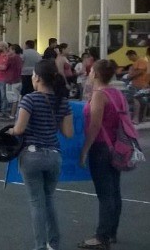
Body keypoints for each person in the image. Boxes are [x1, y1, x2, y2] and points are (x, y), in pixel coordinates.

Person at [8, 59, 74, 250]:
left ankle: (40, 246)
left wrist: (8, 132)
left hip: (32, 156)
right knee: (49, 199)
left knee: (37, 203)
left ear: (36, 77)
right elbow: (68, 133)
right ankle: (54, 243)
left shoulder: (29, 99)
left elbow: (19, 129)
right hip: (54, 155)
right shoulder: (62, 101)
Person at [78, 60, 130, 250]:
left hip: (100, 147)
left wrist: (85, 149)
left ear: (96, 75)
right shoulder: (117, 93)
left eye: (91, 71)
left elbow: (94, 125)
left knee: (105, 193)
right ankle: (111, 231)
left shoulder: (99, 95)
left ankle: (102, 236)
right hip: (116, 146)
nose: (89, 74)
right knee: (114, 191)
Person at [3, 44, 23, 120]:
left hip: (11, 80)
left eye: (10, 49)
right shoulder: (19, 58)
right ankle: (16, 113)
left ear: (14, 50)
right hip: (18, 79)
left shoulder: (11, 58)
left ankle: (12, 114)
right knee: (17, 98)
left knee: (13, 98)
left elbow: (5, 67)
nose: (9, 51)